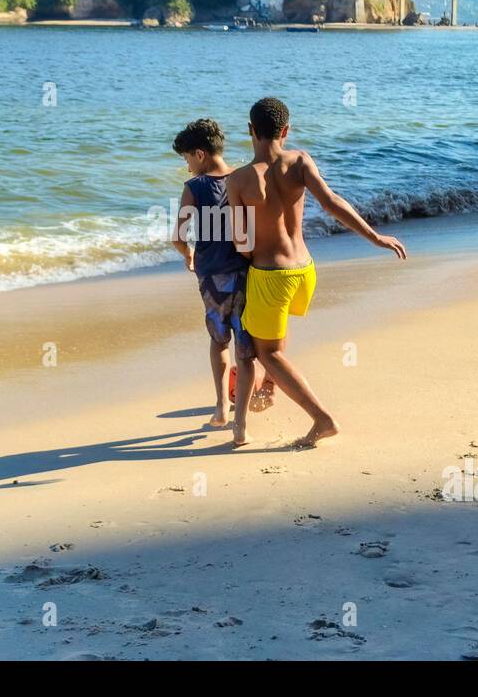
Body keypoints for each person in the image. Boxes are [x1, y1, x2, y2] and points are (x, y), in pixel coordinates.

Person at [227, 98, 407, 449]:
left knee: (267, 354)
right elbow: (332, 202)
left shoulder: (240, 179)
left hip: (271, 275)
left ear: (250, 131)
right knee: (275, 342)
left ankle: (322, 419)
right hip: (305, 270)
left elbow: (242, 242)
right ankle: (270, 387)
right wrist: (375, 236)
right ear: (286, 131)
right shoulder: (300, 161)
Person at [172, 118, 275, 447]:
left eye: (187, 159)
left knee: (219, 343)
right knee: (246, 353)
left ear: (199, 154)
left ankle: (220, 409)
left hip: (211, 278)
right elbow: (250, 229)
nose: (187, 166)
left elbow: (177, 236)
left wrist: (188, 256)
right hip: (244, 274)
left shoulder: (195, 188)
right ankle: (240, 427)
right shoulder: (241, 177)